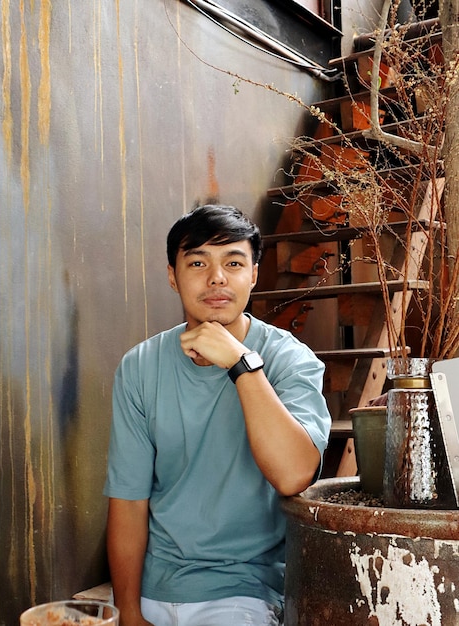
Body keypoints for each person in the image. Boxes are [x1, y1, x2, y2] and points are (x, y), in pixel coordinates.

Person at [103, 204, 332, 626]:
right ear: (173, 276)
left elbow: (294, 474)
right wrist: (129, 612)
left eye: (233, 262)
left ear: (255, 274)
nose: (217, 278)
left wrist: (241, 363)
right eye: (197, 262)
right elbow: (129, 502)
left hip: (241, 593)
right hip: (154, 588)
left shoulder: (290, 360)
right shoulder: (139, 366)